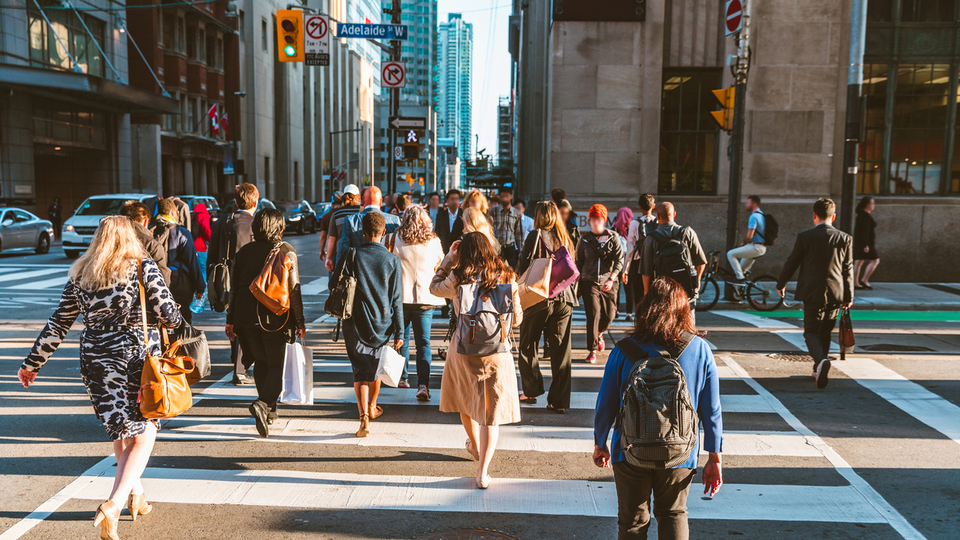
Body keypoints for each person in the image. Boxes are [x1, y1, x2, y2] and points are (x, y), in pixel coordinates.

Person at [19, 217, 182, 540]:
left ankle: (137, 495)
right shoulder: (142, 267)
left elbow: (59, 323)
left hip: (96, 361)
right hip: (136, 359)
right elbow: (170, 316)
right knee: (144, 433)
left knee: (121, 429)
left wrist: (33, 363)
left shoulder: (82, 274)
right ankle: (114, 503)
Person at [593, 277, 723, 540]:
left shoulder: (622, 351)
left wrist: (600, 442)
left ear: (645, 308)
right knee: (674, 513)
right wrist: (714, 456)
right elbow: (711, 410)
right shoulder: (699, 349)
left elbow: (605, 402)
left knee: (631, 522)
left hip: (628, 449)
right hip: (680, 451)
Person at [429, 231, 523, 489]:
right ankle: (483, 473)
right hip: (496, 351)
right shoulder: (507, 276)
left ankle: (473, 445)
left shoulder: (459, 277)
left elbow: (434, 288)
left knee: (466, 399)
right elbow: (518, 319)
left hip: (463, 349)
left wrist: (449, 258)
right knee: (490, 414)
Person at [226, 209, 306, 438]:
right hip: (275, 318)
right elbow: (294, 290)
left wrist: (230, 320)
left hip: (245, 316)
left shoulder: (244, 252)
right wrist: (299, 321)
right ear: (279, 228)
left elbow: (234, 290)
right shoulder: (286, 251)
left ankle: (270, 411)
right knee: (279, 367)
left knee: (261, 362)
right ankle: (262, 404)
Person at [334, 212, 404, 438]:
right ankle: (373, 407)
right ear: (384, 233)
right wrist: (400, 330)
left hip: (354, 322)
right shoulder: (393, 261)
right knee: (375, 369)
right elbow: (396, 300)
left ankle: (363, 416)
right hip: (382, 323)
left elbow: (335, 283)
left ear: (362, 232)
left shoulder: (351, 255)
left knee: (359, 371)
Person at [776, 198, 853, 390]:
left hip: (811, 291)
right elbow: (848, 269)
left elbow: (792, 261)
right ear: (833, 216)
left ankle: (820, 361)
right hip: (836, 292)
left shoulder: (805, 237)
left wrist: (781, 283)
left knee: (810, 331)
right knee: (825, 330)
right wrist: (849, 295)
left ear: (814, 215)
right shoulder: (845, 238)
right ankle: (819, 366)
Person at [516, 201, 578, 414]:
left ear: (539, 216)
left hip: (538, 297)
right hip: (564, 299)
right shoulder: (565, 237)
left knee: (528, 343)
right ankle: (558, 401)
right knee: (561, 351)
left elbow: (522, 266)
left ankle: (531, 390)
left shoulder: (535, 236)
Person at [390, 205, 445, 396]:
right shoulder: (434, 241)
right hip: (425, 297)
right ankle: (424, 385)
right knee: (424, 343)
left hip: (401, 298)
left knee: (402, 340)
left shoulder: (395, 238)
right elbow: (441, 264)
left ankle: (403, 378)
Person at [208, 183, 258, 385]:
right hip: (247, 278)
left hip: (224, 276)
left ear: (236, 202)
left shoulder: (222, 222)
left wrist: (211, 280)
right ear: (255, 202)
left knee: (233, 318)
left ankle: (237, 364)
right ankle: (239, 368)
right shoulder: (255, 223)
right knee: (243, 321)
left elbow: (212, 253)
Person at [640, 202, 707, 322]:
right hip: (686, 289)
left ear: (658, 217)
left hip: (663, 290)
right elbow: (701, 261)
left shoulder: (651, 238)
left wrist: (647, 293)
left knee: (664, 325)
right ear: (674, 214)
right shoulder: (688, 233)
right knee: (687, 324)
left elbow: (646, 270)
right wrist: (697, 280)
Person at [577, 204, 625, 364]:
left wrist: (611, 278)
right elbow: (578, 262)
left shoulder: (613, 237)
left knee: (610, 314)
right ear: (589, 220)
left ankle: (599, 333)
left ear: (604, 220)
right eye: (593, 219)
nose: (595, 222)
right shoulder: (584, 240)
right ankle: (592, 350)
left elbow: (620, 260)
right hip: (589, 281)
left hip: (609, 282)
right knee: (593, 314)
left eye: (599, 219)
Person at [151, 198, 204, 324]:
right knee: (183, 319)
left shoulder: (149, 231)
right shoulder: (182, 232)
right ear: (173, 213)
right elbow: (192, 262)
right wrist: (200, 286)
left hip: (155, 282)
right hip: (179, 283)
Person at [335, 186, 401, 268]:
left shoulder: (351, 220)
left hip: (358, 270)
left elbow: (343, 251)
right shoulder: (394, 220)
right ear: (380, 201)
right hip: (386, 270)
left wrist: (338, 271)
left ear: (363, 200)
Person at [120, 201, 170, 284]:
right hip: (141, 294)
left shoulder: (110, 238)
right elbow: (163, 279)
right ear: (145, 221)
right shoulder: (152, 244)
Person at [623, 194, 657, 311]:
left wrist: (625, 270)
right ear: (653, 206)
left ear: (639, 207)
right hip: (654, 263)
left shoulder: (634, 223)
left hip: (638, 263)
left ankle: (639, 321)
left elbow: (630, 249)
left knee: (639, 295)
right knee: (653, 295)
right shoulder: (658, 222)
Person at [726, 195, 767, 283]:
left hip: (756, 247)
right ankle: (741, 293)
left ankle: (739, 278)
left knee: (730, 254)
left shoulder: (754, 216)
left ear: (754, 204)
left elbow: (749, 235)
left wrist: (744, 242)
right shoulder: (762, 215)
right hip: (761, 247)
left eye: (748, 203)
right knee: (741, 270)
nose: (746, 205)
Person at [323, 185, 362, 272]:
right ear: (358, 197)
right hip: (361, 254)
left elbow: (331, 238)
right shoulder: (363, 211)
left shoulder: (337, 214)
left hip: (342, 254)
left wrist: (328, 258)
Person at [487, 187, 524, 267]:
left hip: (510, 248)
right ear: (499, 197)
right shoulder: (492, 211)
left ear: (511, 196)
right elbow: (488, 229)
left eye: (506, 196)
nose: (504, 199)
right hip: (495, 247)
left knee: (511, 272)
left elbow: (519, 234)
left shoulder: (516, 213)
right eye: (502, 196)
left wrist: (521, 252)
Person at [853, 196, 880, 290]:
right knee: (875, 260)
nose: (874, 205)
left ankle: (856, 282)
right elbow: (863, 232)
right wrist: (866, 245)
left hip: (864, 243)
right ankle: (864, 280)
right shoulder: (864, 216)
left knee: (859, 261)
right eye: (872, 203)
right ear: (868, 205)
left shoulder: (863, 215)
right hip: (865, 243)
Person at [614, 207, 634, 318]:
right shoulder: (632, 228)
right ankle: (629, 312)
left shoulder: (614, 229)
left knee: (616, 286)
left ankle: (615, 310)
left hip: (616, 261)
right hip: (628, 262)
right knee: (629, 287)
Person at [318, 191, 343, 262]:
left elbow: (323, 236)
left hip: (333, 252)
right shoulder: (346, 214)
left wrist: (322, 250)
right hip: (346, 251)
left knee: (333, 272)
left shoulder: (326, 216)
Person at [435, 189, 462, 254]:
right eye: (452, 199)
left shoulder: (463, 214)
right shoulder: (441, 216)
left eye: (456, 199)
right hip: (444, 249)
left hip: (459, 250)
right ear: (447, 201)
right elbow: (438, 232)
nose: (455, 201)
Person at [191, 203, 212, 281]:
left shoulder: (193, 217)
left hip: (192, 247)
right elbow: (206, 227)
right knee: (203, 270)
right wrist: (210, 239)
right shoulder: (204, 216)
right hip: (201, 248)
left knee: (194, 270)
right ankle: (202, 291)